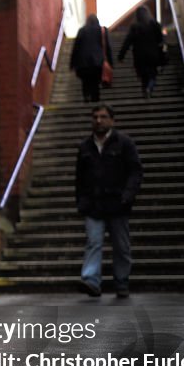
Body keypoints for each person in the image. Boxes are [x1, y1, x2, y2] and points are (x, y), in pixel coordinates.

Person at [74, 103, 142, 298]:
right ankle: (91, 281)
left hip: (117, 204)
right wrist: (81, 202)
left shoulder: (124, 143)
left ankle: (121, 282)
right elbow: (79, 178)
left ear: (112, 120)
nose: (98, 120)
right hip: (93, 205)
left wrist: (127, 195)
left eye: (103, 117)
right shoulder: (85, 146)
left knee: (121, 246)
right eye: (95, 117)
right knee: (93, 242)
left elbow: (135, 171)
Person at [118, 6, 164, 99]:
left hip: (139, 57)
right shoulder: (154, 24)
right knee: (152, 75)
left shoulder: (135, 27)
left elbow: (127, 42)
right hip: (153, 55)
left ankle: (145, 92)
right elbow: (161, 40)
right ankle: (149, 89)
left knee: (144, 76)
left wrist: (121, 56)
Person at [70, 14, 113, 102]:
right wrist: (111, 63)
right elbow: (108, 47)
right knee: (95, 82)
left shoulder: (82, 30)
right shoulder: (102, 30)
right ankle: (95, 100)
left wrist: (72, 63)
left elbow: (76, 47)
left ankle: (86, 96)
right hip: (98, 61)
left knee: (85, 81)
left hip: (82, 63)